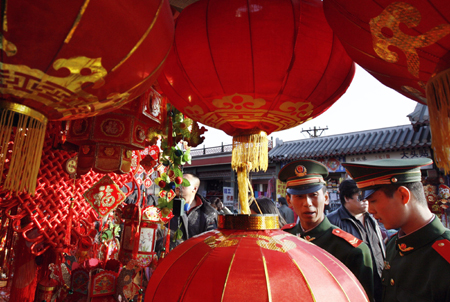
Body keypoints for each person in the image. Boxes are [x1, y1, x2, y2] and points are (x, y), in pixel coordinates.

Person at [343, 158, 450, 301]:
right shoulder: (394, 245)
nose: (369, 210)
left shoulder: (445, 255)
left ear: (403, 195)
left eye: (373, 201)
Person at [279, 159, 375, 301]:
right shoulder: (282, 240)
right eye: (299, 197)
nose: (308, 203)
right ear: (289, 200)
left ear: (326, 197)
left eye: (314, 195)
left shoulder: (353, 250)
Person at [328, 179, 385, 302]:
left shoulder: (372, 217)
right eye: (360, 198)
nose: (365, 202)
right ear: (347, 198)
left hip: (379, 282)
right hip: (353, 285)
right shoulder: (333, 222)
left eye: (367, 198)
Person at [169, 174, 218, 241]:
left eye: (183, 183)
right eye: (177, 182)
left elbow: (212, 240)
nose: (179, 184)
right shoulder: (167, 206)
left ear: (195, 189)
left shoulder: (209, 213)